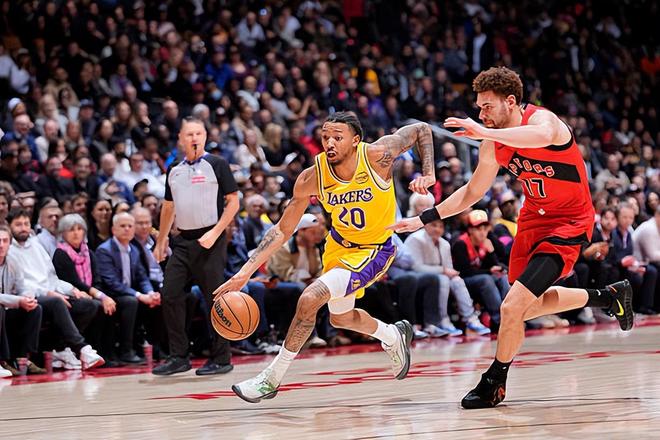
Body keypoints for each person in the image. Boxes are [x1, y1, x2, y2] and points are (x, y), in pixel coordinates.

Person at [389, 67, 633, 409]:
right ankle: (608, 297)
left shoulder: (545, 121)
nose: (481, 114)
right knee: (525, 307)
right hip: (533, 220)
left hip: (569, 222)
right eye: (479, 108)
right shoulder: (494, 143)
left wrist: (481, 131)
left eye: (487, 106)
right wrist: (423, 218)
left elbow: (540, 136)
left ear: (511, 101)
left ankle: (494, 382)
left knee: (511, 306)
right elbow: (472, 192)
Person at [216, 111, 435, 403]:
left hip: (374, 249)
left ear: (356, 140)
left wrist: (428, 173)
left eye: (337, 137)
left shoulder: (377, 156)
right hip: (338, 248)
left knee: (310, 298)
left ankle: (271, 378)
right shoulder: (313, 176)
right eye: (325, 137)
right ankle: (393, 335)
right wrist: (245, 272)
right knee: (341, 318)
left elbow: (420, 128)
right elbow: (282, 230)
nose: (330, 143)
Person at [152, 116, 240, 376]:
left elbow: (233, 202)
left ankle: (222, 358)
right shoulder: (174, 170)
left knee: (214, 299)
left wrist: (216, 232)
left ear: (205, 136)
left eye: (198, 133)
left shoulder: (217, 164)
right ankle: (179, 356)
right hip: (182, 241)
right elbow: (168, 207)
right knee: (170, 294)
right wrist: (161, 240)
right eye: (189, 134)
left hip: (210, 240)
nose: (194, 138)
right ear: (180, 139)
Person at [8, 208, 104, 370]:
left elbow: (52, 277)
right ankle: (82, 349)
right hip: (28, 296)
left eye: (26, 224)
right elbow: (21, 285)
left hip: (51, 293)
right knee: (56, 302)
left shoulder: (36, 245)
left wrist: (72, 289)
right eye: (18, 224)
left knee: (89, 304)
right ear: (9, 226)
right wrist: (49, 293)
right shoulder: (9, 249)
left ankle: (61, 349)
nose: (23, 228)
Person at [96, 213, 159, 363]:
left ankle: (158, 348)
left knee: (157, 300)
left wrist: (150, 293)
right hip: (110, 295)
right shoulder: (104, 250)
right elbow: (112, 283)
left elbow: (142, 277)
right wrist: (139, 295)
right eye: (123, 226)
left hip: (128, 293)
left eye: (130, 226)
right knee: (131, 302)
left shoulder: (134, 250)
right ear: (113, 230)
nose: (127, 229)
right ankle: (126, 351)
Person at [0, 224, 44, 375]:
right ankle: (2, 361)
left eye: (5, 241)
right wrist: (18, 301)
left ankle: (23, 358)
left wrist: (27, 296)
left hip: (7, 309)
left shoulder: (13, 261)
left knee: (35, 308)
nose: (1, 245)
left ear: (10, 243)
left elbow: (22, 286)